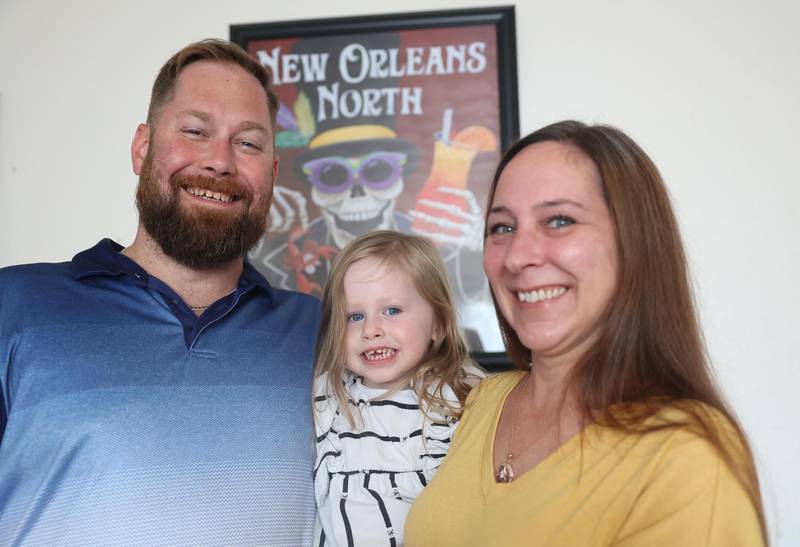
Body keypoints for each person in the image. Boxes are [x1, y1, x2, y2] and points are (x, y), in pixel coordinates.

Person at [0, 40, 321, 545]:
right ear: (142, 148)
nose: (220, 162)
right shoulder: (13, 306)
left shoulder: (324, 332)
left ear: (273, 176)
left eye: (249, 144)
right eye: (195, 131)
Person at [405, 121, 767, 546]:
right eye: (502, 227)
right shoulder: (483, 400)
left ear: (634, 243)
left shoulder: (686, 455)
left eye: (559, 221)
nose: (519, 256)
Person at [312, 230, 483, 546]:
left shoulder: (458, 400)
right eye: (354, 316)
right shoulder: (328, 398)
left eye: (392, 310)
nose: (372, 330)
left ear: (439, 324)